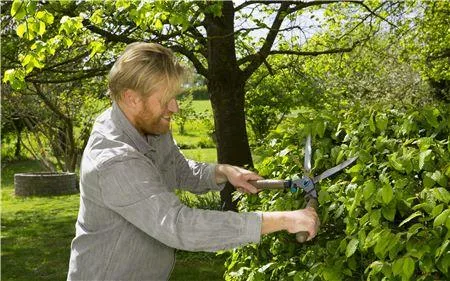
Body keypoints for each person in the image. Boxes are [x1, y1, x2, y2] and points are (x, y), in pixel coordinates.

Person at [67, 42, 319, 281]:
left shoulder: (148, 124)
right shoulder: (114, 160)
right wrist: (284, 220)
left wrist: (222, 172)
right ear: (131, 98)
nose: (175, 108)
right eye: (166, 99)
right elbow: (179, 226)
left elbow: (175, 167)